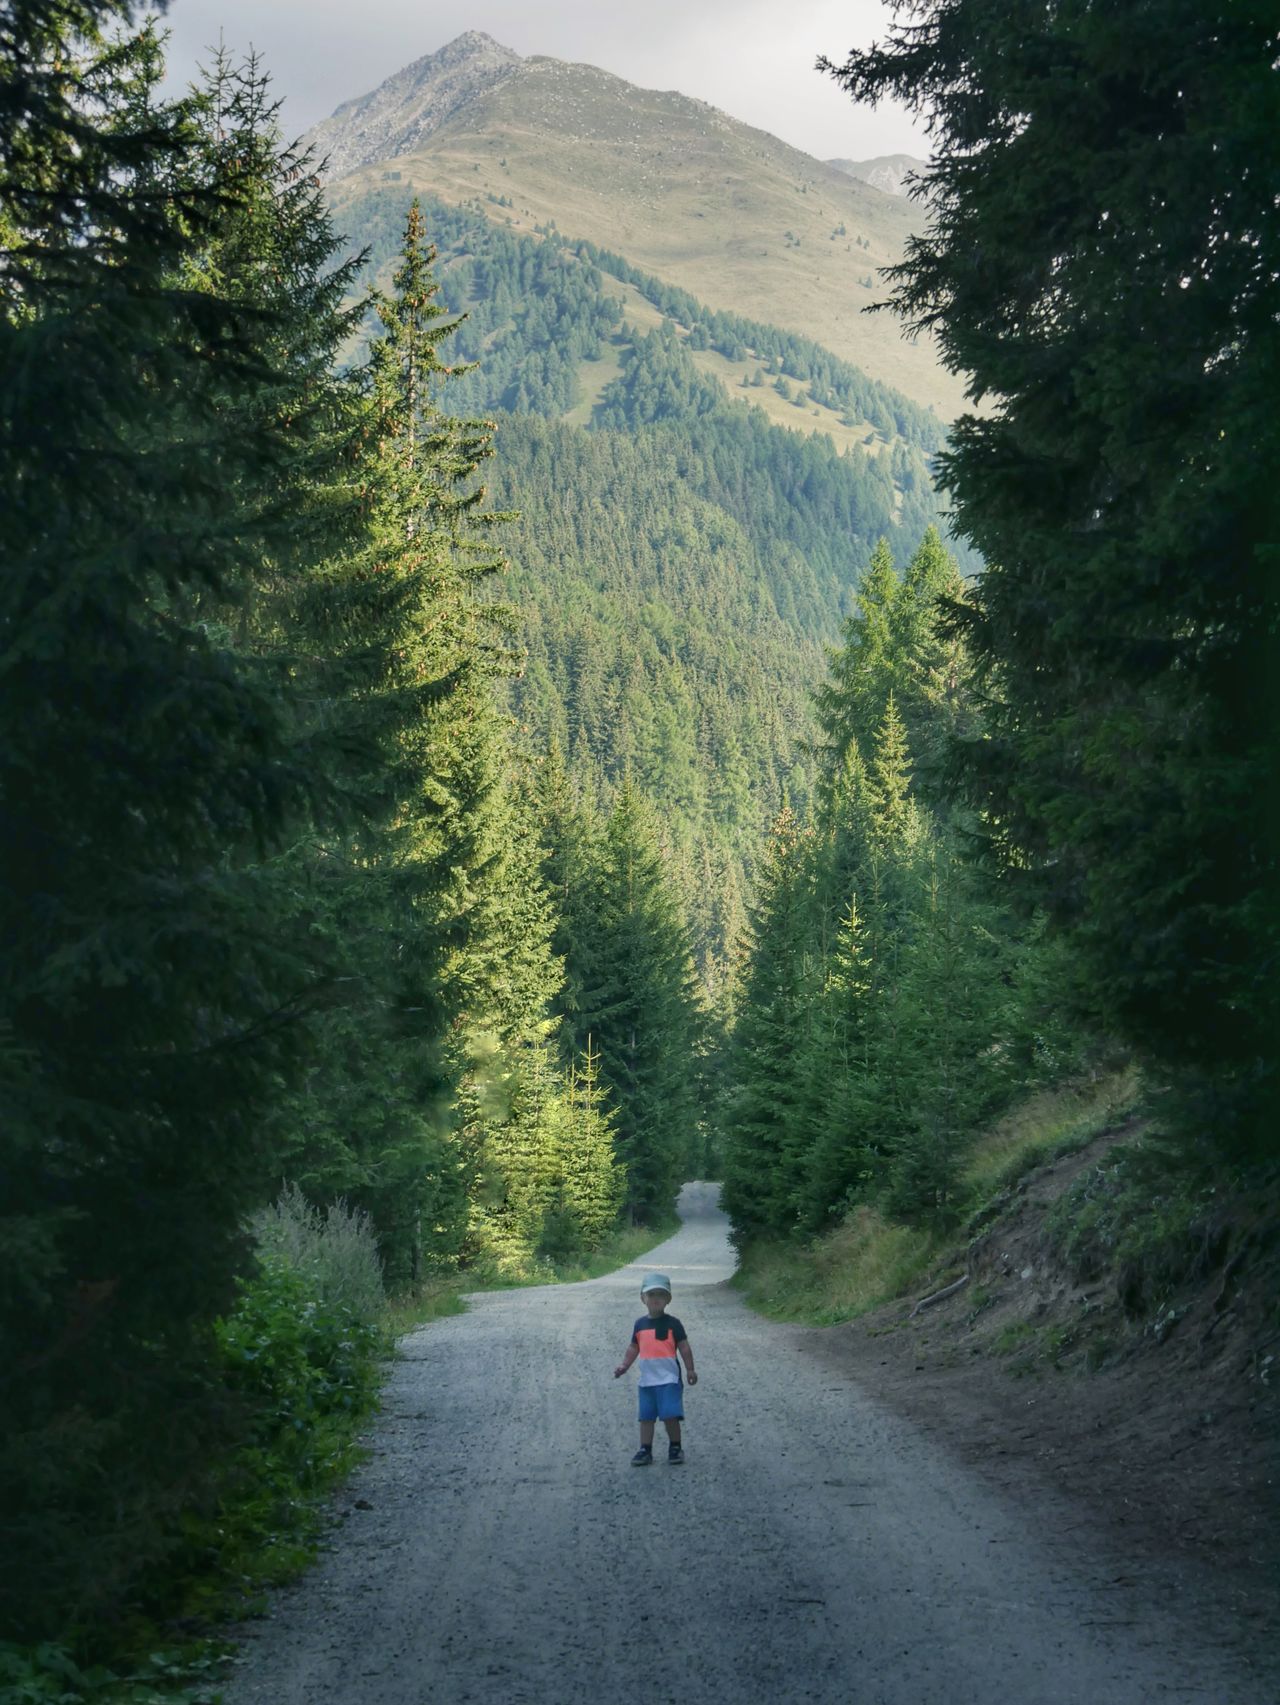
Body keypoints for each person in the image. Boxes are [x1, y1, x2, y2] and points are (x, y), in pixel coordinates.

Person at [613, 1271, 697, 1465]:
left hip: (669, 1379)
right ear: (643, 1298)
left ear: (668, 1299)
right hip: (647, 1381)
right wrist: (624, 1365)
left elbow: (684, 1347)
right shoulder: (640, 1325)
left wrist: (690, 1369)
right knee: (646, 1417)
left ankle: (675, 1446)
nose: (655, 1299)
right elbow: (634, 1347)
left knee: (670, 1415)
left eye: (660, 1295)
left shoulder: (673, 1323)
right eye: (651, 1295)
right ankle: (645, 1449)